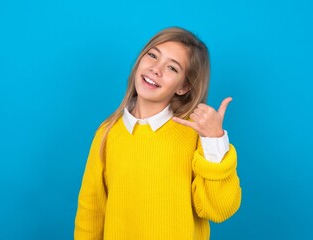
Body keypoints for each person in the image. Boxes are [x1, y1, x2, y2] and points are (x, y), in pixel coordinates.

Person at [74, 27, 241, 240]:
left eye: (172, 68)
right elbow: (91, 210)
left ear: (184, 87)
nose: (156, 69)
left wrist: (215, 141)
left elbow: (219, 210)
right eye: (152, 55)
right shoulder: (107, 133)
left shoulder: (196, 135)